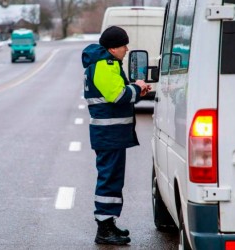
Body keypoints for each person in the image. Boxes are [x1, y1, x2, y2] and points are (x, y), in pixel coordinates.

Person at [81, 26, 151, 245]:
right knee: (109, 180)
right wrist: (137, 88)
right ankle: (104, 228)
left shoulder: (106, 64)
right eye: (123, 45)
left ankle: (109, 223)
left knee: (112, 180)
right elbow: (118, 96)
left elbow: (117, 94)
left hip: (111, 134)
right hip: (108, 134)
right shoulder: (105, 65)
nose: (126, 49)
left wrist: (136, 90)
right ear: (112, 48)